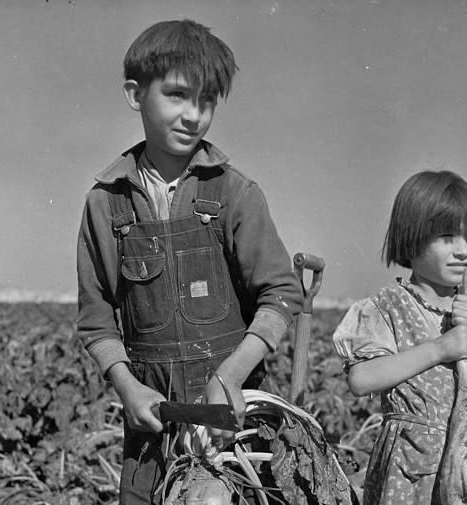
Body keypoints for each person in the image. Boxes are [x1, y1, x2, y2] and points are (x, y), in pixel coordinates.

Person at [76, 19, 303, 504]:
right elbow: (96, 321)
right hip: (153, 421)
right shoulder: (105, 204)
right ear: (135, 94)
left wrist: (230, 376)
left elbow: (282, 294)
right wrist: (128, 389)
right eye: (177, 95)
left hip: (233, 415)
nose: (193, 116)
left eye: (206, 101)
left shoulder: (236, 192)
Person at [332, 170, 467, 505]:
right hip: (410, 471)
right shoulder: (387, 307)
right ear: (410, 239)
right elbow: (361, 379)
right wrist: (441, 349)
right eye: (446, 237)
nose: (463, 250)